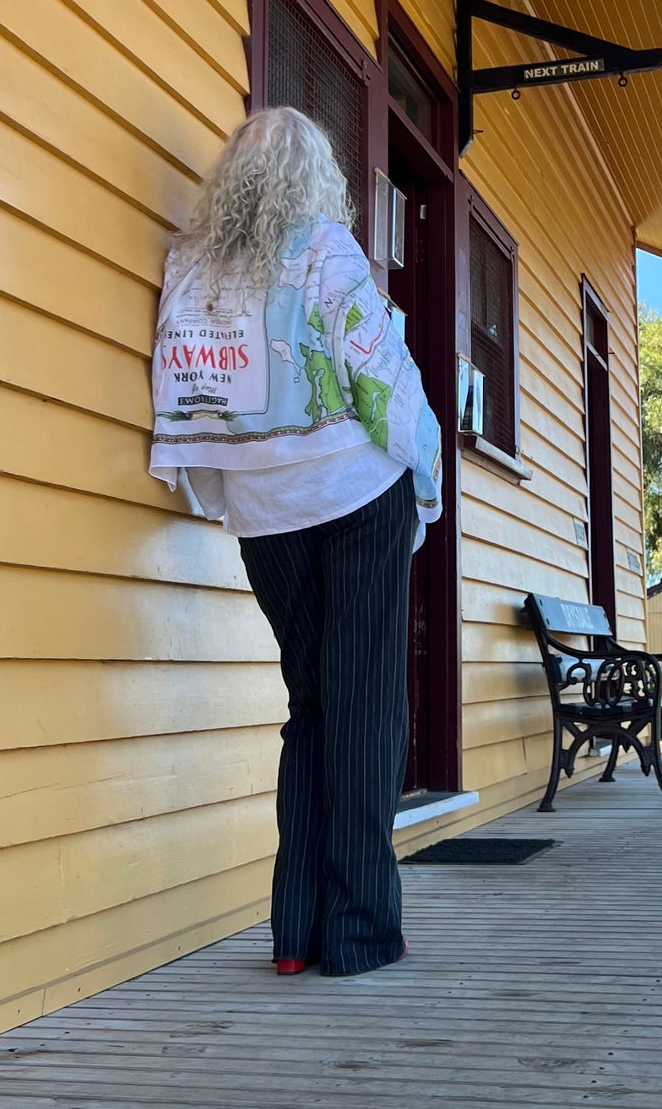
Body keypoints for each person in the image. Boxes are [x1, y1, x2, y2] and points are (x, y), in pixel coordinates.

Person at [149, 106, 441, 977]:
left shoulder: (191, 266)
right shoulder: (324, 250)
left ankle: (295, 931)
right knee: (368, 709)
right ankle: (358, 933)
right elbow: (381, 380)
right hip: (355, 494)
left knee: (310, 705)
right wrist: (423, 475)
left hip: (265, 518)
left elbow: (182, 391)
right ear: (317, 179)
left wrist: (221, 492)